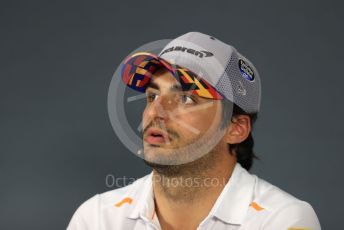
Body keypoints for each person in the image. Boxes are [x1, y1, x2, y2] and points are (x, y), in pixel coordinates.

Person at [67, 32, 321, 230]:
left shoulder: (283, 220)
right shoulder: (97, 218)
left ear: (236, 128)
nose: (155, 112)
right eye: (152, 95)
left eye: (186, 99)